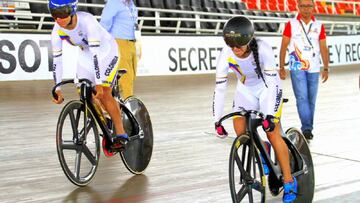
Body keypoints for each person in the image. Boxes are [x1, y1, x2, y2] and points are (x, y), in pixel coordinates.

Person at [213, 16, 297, 202]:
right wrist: (217, 120)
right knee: (240, 130)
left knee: (272, 132)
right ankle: (263, 150)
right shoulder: (225, 53)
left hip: (267, 88)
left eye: (239, 45)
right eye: (231, 45)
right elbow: (220, 87)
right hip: (246, 90)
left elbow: (273, 84)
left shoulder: (263, 48)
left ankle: (290, 181)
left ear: (250, 41)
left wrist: (270, 116)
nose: (235, 49)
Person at [49, 0, 128, 149]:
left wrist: (99, 83)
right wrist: (57, 88)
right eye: (54, 15)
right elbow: (57, 60)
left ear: (72, 11)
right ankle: (105, 117)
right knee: (84, 92)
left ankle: (120, 133)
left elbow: (96, 54)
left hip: (106, 51)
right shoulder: (57, 30)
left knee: (104, 92)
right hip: (86, 55)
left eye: (61, 14)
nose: (58, 19)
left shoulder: (87, 20)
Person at [279, 0, 329, 140]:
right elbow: (284, 45)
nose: (306, 9)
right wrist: (281, 66)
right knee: (302, 98)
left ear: (313, 7)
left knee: (311, 99)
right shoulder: (291, 24)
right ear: (298, 7)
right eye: (303, 6)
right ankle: (306, 128)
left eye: (309, 6)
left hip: (314, 67)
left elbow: (324, 47)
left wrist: (326, 67)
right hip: (297, 66)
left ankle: (308, 127)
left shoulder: (319, 26)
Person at [100, 0, 139, 100]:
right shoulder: (114, 2)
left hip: (131, 42)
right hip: (119, 42)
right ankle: (129, 103)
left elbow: (135, 24)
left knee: (132, 75)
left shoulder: (131, 4)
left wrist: (138, 42)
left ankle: (116, 101)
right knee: (126, 77)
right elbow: (104, 23)